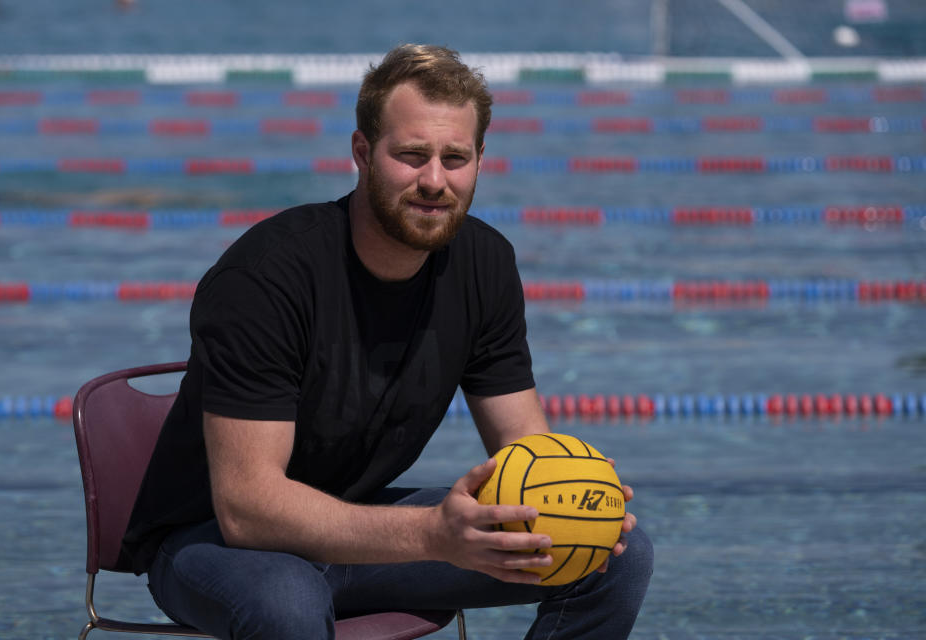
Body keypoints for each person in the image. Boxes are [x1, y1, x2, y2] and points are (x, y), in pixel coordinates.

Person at [124, 43, 652, 640]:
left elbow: (525, 447)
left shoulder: (485, 264)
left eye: (455, 157)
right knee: (287, 603)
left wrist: (578, 498)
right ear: (362, 153)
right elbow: (247, 508)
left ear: (481, 158)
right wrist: (433, 535)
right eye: (411, 155)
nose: (434, 180)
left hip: (364, 528)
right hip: (214, 541)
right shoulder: (267, 277)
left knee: (617, 557)